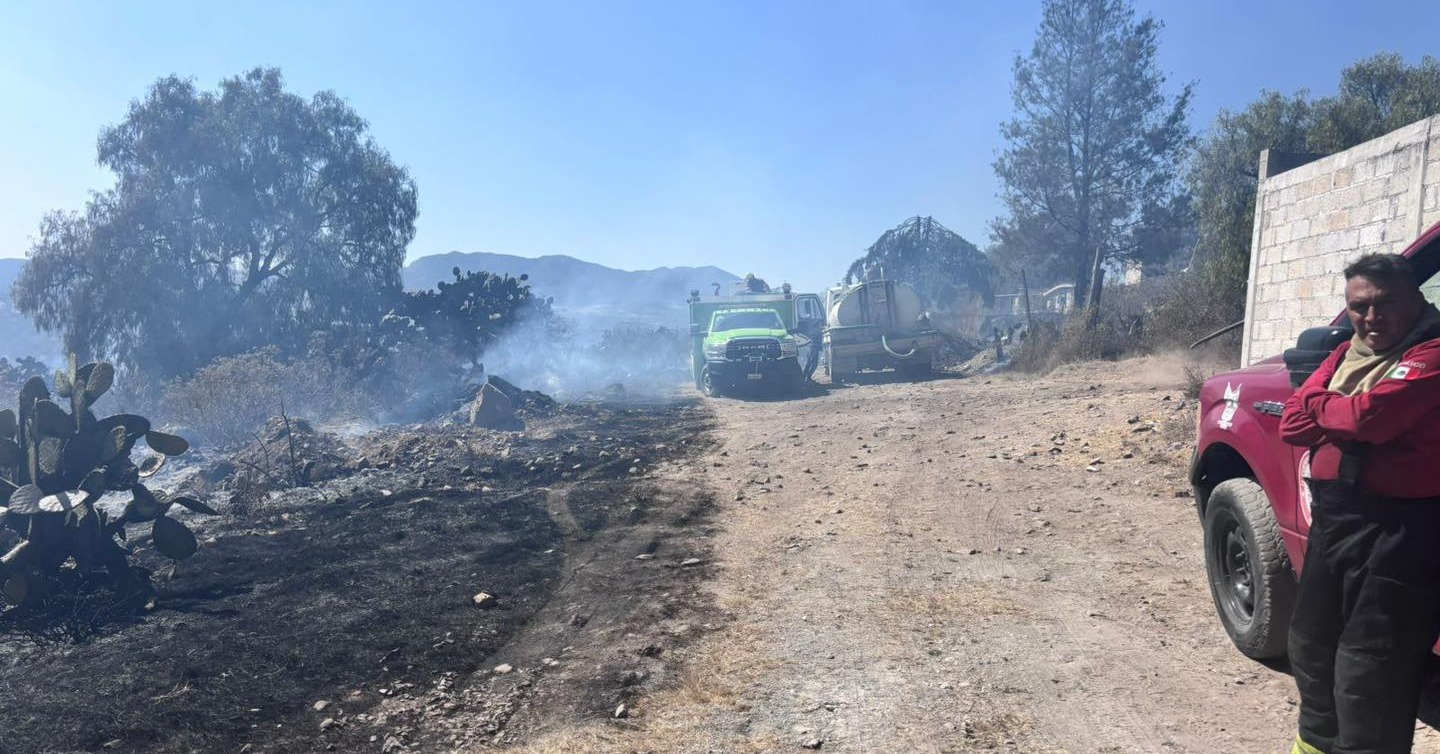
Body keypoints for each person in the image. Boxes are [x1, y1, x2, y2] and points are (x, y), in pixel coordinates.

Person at [1279, 252, 1440, 754]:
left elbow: (1372, 419)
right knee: (1311, 646)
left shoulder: (1432, 351)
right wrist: (1334, 410)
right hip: (1338, 519)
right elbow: (1290, 424)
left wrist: (1320, 405)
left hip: (1401, 532)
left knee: (1370, 673)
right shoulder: (1347, 352)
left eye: (1385, 303)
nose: (1371, 319)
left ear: (1416, 298)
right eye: (1358, 307)